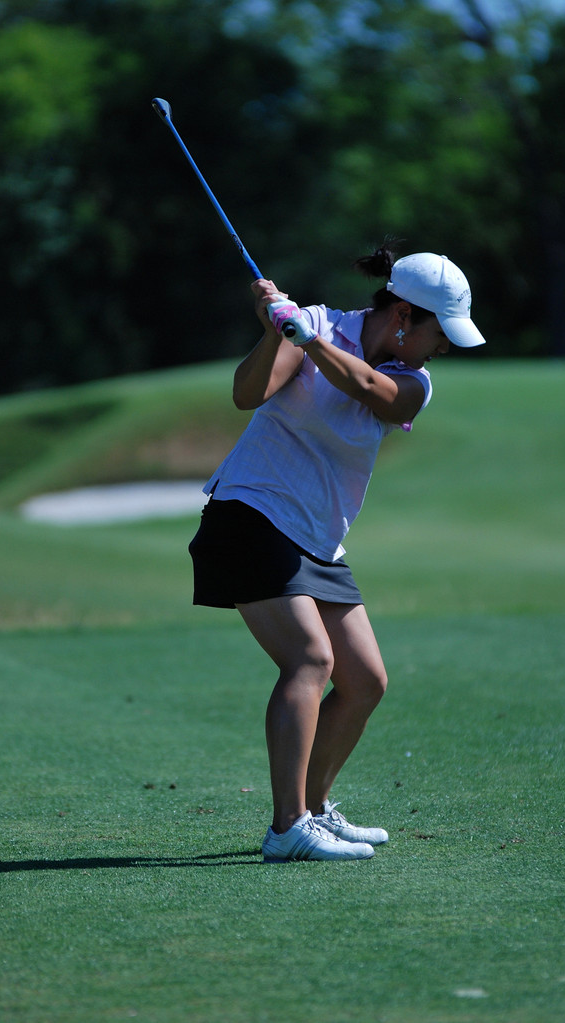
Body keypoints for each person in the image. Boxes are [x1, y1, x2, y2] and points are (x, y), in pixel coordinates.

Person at [188, 242, 486, 862]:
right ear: (403, 316)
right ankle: (288, 827)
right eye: (439, 332)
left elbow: (374, 390)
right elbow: (247, 394)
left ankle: (316, 807)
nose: (444, 347)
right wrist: (275, 332)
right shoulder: (314, 324)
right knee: (310, 659)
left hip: (317, 538)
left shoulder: (413, 380)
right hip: (252, 513)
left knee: (365, 681)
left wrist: (308, 339)